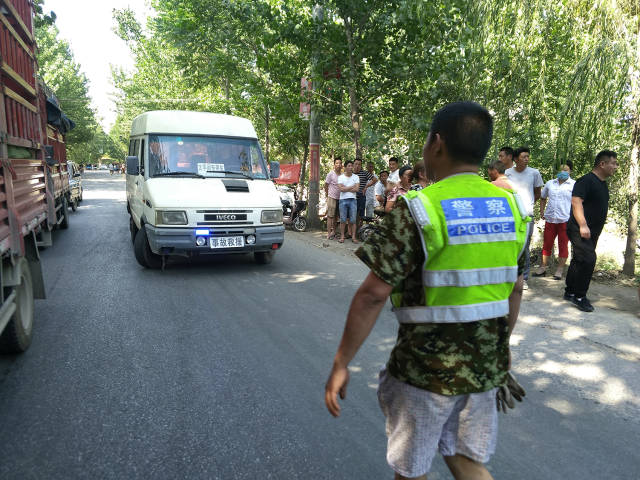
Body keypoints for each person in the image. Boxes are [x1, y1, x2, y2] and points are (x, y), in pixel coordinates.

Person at [325, 101, 529, 480]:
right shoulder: (512, 208)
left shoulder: (418, 208)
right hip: (484, 369)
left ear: (437, 144)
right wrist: (501, 349)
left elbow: (372, 294)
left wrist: (340, 363)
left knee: (412, 469)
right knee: (466, 460)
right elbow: (514, 289)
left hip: (424, 373)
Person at [564, 150, 618, 312]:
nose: (616, 167)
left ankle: (570, 291)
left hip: (591, 231)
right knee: (589, 260)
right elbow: (576, 202)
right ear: (602, 164)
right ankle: (580, 296)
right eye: (613, 163)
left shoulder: (602, 183)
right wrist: (582, 224)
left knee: (579, 259)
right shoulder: (586, 181)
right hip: (579, 229)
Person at [505, 147, 544, 289]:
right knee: (510, 244)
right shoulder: (508, 173)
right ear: (515, 159)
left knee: (525, 246)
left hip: (527, 214)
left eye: (528, 156)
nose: (526, 159)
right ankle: (508, 275)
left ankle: (524, 278)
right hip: (511, 214)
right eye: (523, 157)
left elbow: (537, 193)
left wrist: (528, 204)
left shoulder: (534, 173)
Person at [533, 164, 575, 279]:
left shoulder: (574, 184)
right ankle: (542, 267)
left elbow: (577, 202)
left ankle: (560, 270)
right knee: (547, 244)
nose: (562, 171)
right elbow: (543, 197)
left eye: (565, 169)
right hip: (550, 218)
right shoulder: (550, 183)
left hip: (565, 219)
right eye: (560, 169)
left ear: (570, 171)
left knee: (563, 245)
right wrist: (542, 211)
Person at [337, 160, 360, 243]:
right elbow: (341, 189)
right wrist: (351, 187)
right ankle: (342, 236)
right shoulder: (341, 177)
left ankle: (353, 237)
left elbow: (357, 189)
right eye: (349, 166)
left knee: (353, 220)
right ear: (345, 167)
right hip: (343, 200)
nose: (351, 167)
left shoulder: (356, 177)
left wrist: (345, 188)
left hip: (353, 200)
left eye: (352, 166)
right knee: (343, 220)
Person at [354, 158, 377, 230]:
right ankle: (352, 231)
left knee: (361, 215)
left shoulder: (364, 173)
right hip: (352, 197)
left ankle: (360, 230)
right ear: (353, 164)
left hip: (361, 196)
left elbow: (375, 180)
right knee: (352, 215)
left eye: (359, 164)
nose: (357, 166)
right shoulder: (351, 173)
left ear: (361, 165)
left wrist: (366, 187)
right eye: (356, 164)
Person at [324, 157, 342, 240]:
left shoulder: (343, 175)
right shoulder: (330, 174)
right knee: (330, 216)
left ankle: (334, 232)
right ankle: (328, 233)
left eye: (340, 163)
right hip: (332, 197)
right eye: (337, 163)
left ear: (342, 165)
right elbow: (326, 185)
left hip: (340, 198)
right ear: (334, 165)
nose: (339, 165)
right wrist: (328, 194)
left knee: (336, 217)